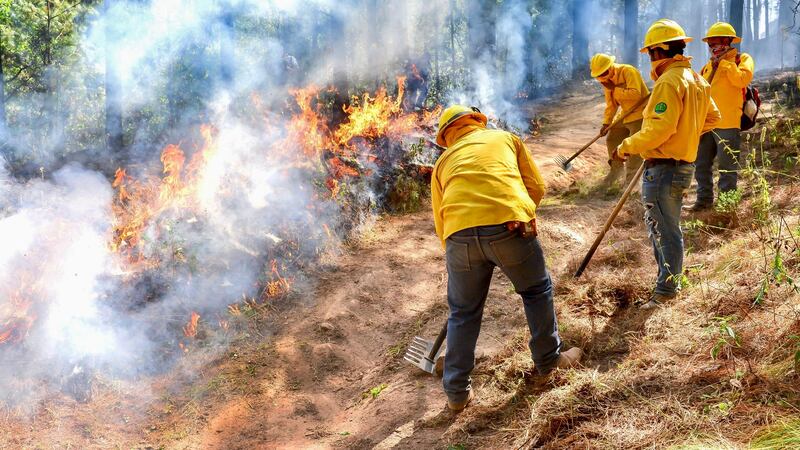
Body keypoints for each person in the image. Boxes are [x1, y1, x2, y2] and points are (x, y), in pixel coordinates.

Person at [431, 105, 583, 412]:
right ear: (477, 121)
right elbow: (536, 186)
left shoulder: (443, 162)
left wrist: (460, 248)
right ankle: (549, 361)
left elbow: (439, 221)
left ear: (447, 136)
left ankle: (457, 393)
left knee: (463, 312)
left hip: (458, 237)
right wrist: (522, 213)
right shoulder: (504, 139)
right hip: (509, 227)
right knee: (536, 291)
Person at [614, 19, 721, 309]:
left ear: (660, 51)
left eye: (650, 52)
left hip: (663, 168)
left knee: (664, 229)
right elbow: (713, 118)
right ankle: (669, 284)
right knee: (667, 227)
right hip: (681, 166)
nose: (650, 58)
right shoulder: (697, 80)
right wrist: (686, 133)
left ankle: (665, 292)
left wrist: (627, 145)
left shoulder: (669, 81)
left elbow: (659, 130)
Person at [687, 22, 755, 211]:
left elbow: (741, 79)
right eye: (710, 43)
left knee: (727, 169)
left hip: (728, 124)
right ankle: (703, 201)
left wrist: (724, 63)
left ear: (729, 41)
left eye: (717, 42)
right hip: (706, 125)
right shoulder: (707, 67)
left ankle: (727, 207)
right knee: (701, 166)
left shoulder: (743, 60)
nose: (713, 46)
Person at [590, 53, 649, 189]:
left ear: (611, 67)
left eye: (604, 73)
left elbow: (636, 94)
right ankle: (616, 172)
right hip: (625, 114)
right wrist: (606, 122)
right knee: (612, 138)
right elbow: (611, 105)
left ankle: (632, 185)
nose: (602, 77)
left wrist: (615, 89)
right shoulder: (606, 81)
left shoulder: (628, 71)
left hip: (641, 112)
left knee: (634, 148)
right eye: (599, 75)